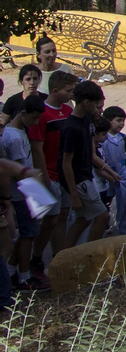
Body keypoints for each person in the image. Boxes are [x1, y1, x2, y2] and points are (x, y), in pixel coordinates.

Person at [2, 96, 44, 291]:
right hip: (22, 193)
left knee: (27, 234)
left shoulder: (17, 132)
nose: (35, 123)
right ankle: (24, 276)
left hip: (24, 191)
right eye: (34, 118)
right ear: (23, 114)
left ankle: (11, 271)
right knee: (28, 234)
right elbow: (20, 172)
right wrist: (37, 196)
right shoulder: (15, 137)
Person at [59, 80, 108, 245]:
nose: (97, 109)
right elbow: (66, 163)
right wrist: (74, 195)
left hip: (84, 176)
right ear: (86, 102)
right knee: (102, 216)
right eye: (96, 105)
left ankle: (64, 255)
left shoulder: (86, 118)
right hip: (79, 180)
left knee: (83, 220)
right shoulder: (71, 128)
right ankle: (89, 254)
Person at [34, 68, 75, 257]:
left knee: (63, 216)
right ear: (55, 90)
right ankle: (37, 256)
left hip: (65, 174)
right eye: (67, 90)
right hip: (50, 175)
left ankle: (60, 257)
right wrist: (44, 178)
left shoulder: (68, 111)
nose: (71, 94)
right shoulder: (42, 114)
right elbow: (37, 149)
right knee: (50, 220)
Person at [99, 106, 126, 234]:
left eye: (123, 121)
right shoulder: (103, 140)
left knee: (122, 200)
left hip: (122, 175)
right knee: (107, 201)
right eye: (118, 120)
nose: (122, 124)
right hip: (107, 176)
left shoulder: (123, 138)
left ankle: (118, 222)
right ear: (108, 121)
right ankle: (104, 225)